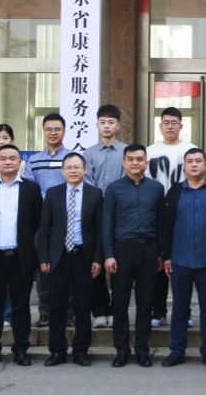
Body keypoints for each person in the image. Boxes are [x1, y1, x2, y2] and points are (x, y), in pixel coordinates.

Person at [160, 148, 206, 369]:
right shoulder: (175, 192)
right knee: (180, 308)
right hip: (180, 259)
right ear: (184, 166)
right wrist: (166, 256)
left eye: (198, 161)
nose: (194, 164)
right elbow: (165, 226)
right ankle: (177, 350)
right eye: (189, 161)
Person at [0, 144, 42, 367]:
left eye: (13, 158)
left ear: (20, 162)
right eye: (3, 158)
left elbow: (36, 221)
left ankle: (21, 349)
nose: (8, 162)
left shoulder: (31, 189)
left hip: (21, 256)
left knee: (21, 306)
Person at [35, 152, 103, 367]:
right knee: (57, 306)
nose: (73, 171)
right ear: (63, 171)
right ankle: (57, 351)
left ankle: (81, 351)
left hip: (84, 256)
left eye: (77, 167)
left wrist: (98, 259)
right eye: (69, 167)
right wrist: (44, 257)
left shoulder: (95, 194)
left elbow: (99, 230)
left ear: (85, 170)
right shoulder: (53, 193)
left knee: (83, 306)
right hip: (59, 257)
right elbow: (44, 229)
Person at [103, 144, 166, 368]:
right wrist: (108, 254)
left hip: (149, 250)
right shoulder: (114, 189)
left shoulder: (156, 188)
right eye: (130, 159)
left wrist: (160, 253)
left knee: (145, 303)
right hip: (122, 250)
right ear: (124, 162)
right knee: (119, 303)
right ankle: (121, 350)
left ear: (146, 162)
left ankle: (142, 350)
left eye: (139, 159)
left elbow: (161, 222)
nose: (135, 163)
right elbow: (106, 223)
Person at [147, 107, 198, 328]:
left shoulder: (191, 149)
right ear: (160, 125)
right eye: (166, 122)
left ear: (181, 125)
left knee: (182, 266)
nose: (170, 126)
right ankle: (158, 310)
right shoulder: (150, 151)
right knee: (158, 262)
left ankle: (184, 311)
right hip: (157, 211)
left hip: (184, 210)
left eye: (174, 122)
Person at [83, 103, 127, 329]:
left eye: (111, 122)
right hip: (94, 210)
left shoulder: (126, 152)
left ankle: (117, 308)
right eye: (103, 122)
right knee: (96, 258)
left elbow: (128, 177)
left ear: (118, 125)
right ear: (97, 125)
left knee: (117, 260)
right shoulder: (88, 153)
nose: (107, 126)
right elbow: (87, 181)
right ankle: (99, 309)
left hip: (121, 211)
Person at [26, 113, 69, 328]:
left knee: (66, 267)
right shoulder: (33, 160)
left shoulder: (72, 159)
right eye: (49, 129)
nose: (53, 133)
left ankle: (68, 312)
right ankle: (45, 312)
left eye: (57, 129)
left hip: (66, 222)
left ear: (64, 131)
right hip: (41, 222)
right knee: (43, 268)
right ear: (43, 131)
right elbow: (30, 190)